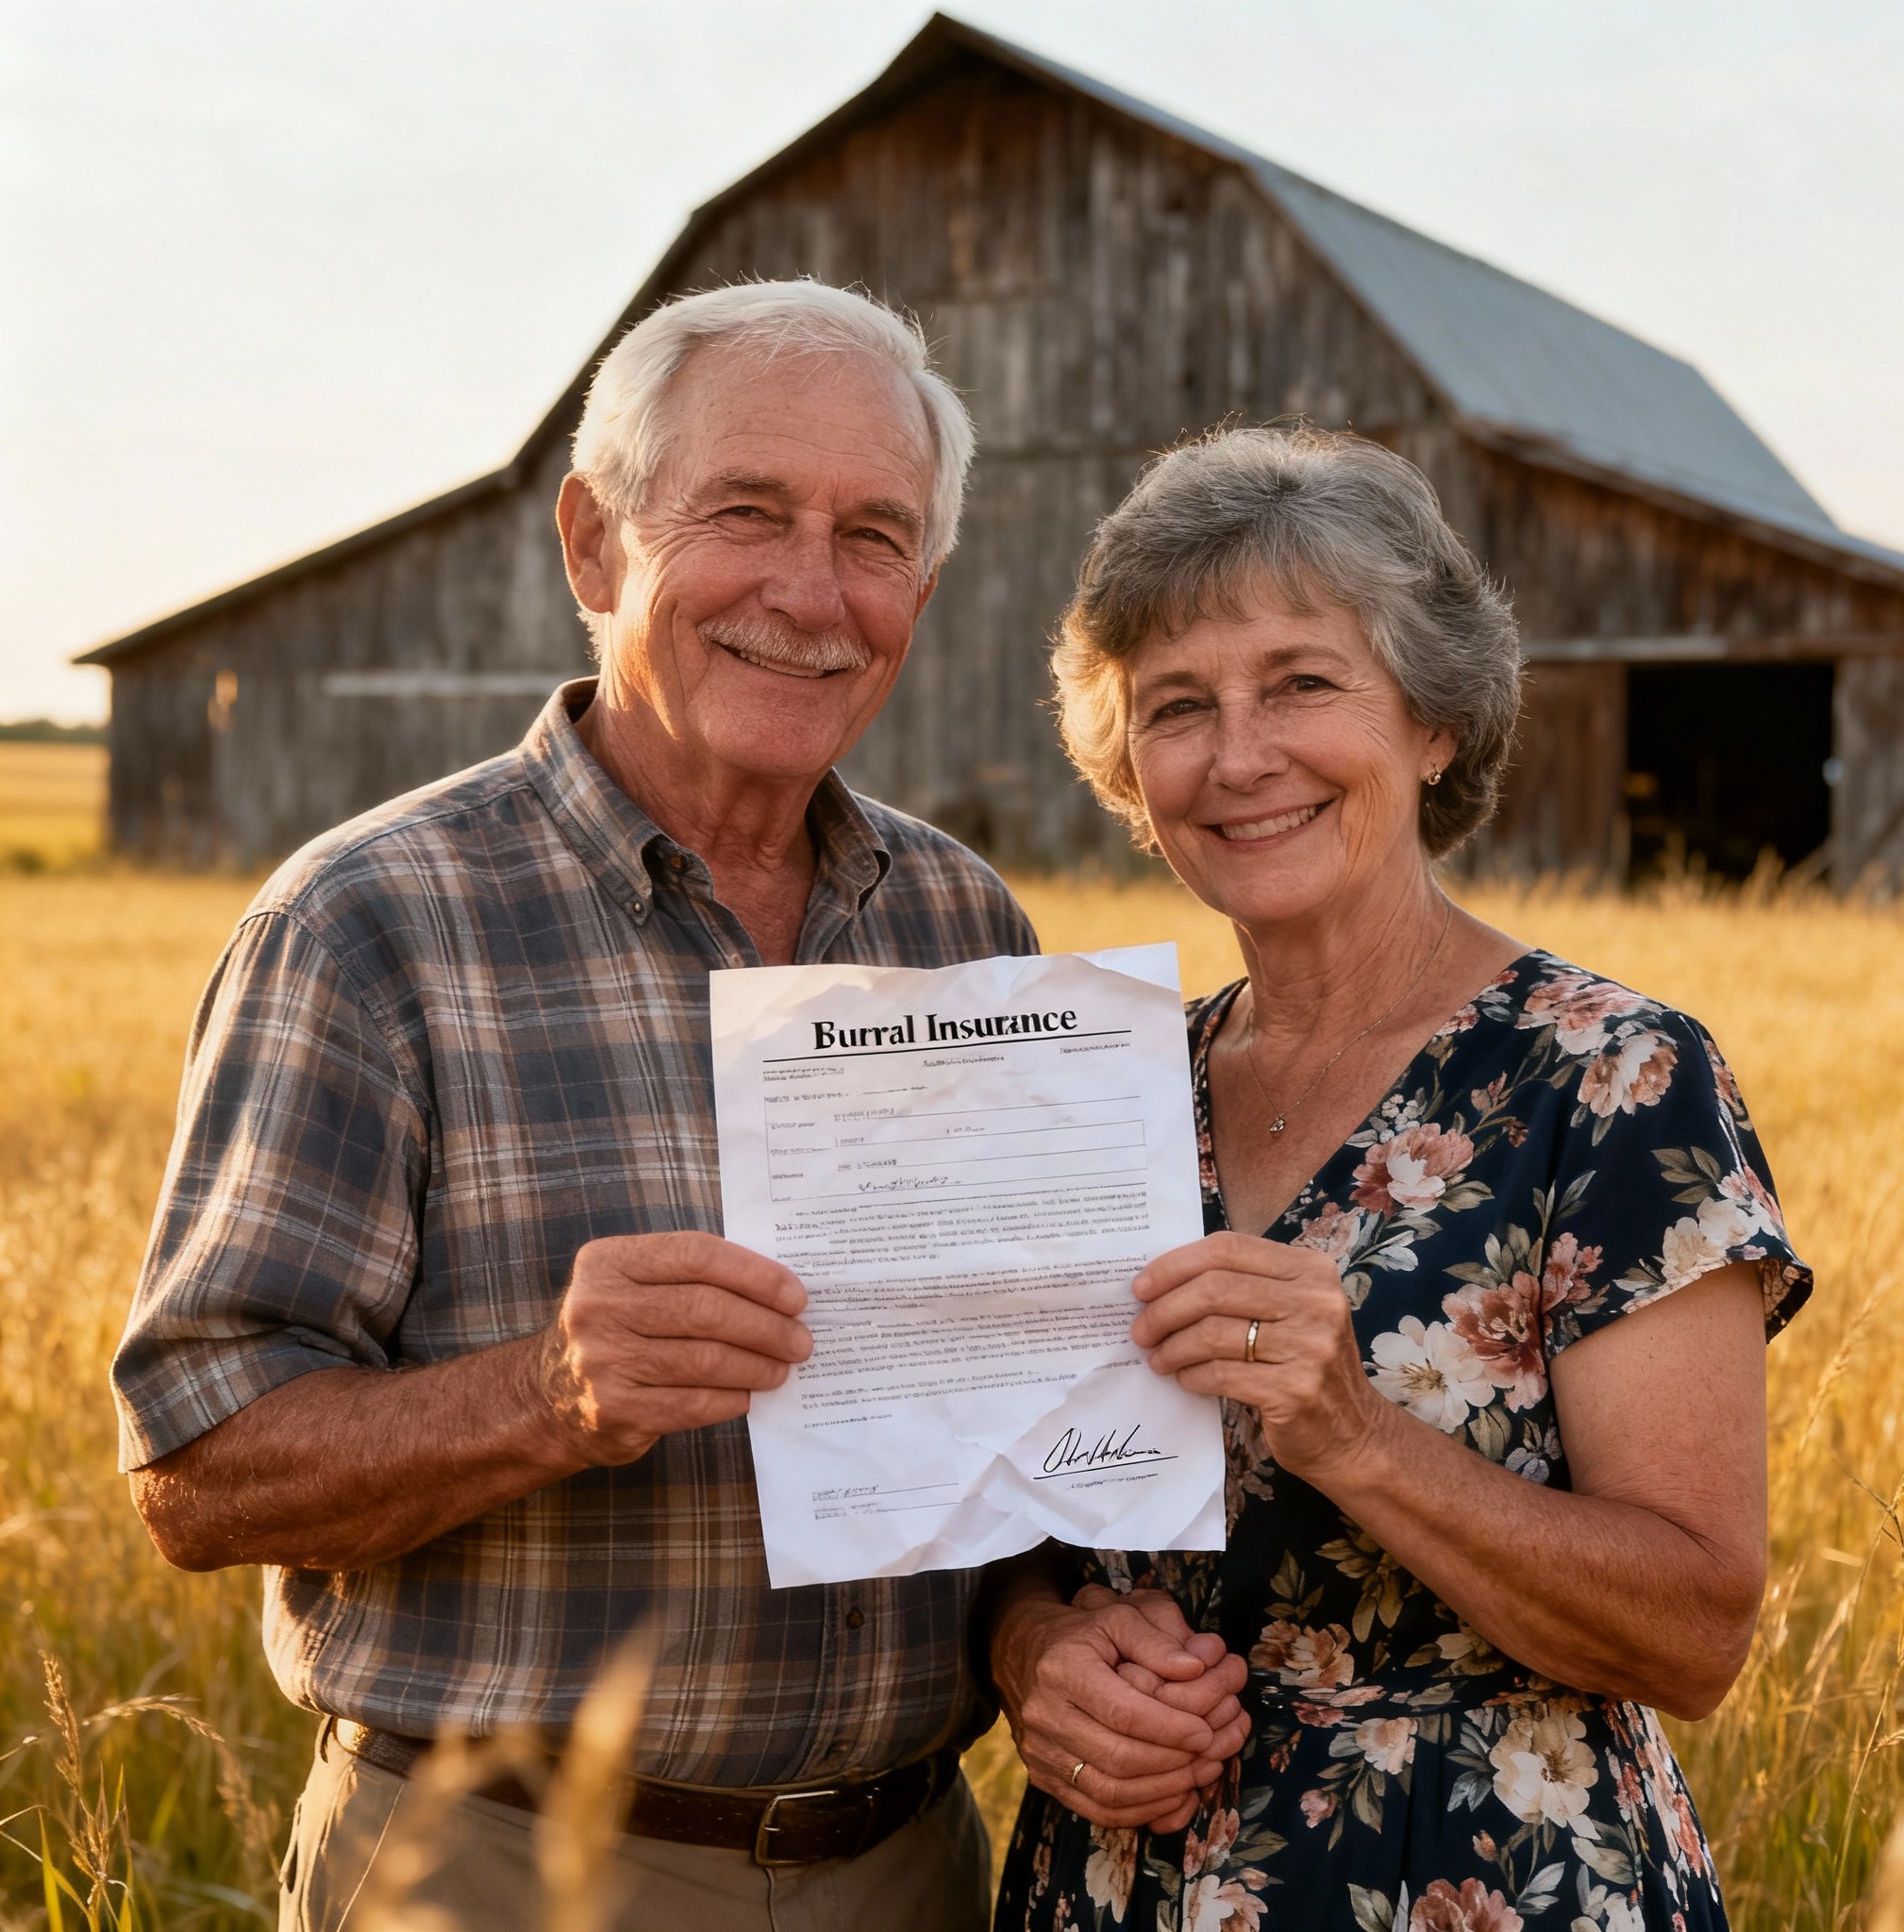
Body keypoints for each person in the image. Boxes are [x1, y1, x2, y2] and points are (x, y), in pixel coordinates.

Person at [112, 278, 1141, 1932]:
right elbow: (196, 1473)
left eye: (874, 537)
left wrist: (1038, 1642)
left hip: (912, 1867)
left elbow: (1010, 1434)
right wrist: (549, 1394)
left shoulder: (966, 923)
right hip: (504, 1871)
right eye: (747, 513)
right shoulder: (369, 924)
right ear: (595, 546)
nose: (811, 592)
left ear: (923, 592)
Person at [987, 426, 1811, 1930]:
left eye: (1303, 682)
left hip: (1481, 1877)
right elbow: (1011, 1513)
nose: (1240, 756)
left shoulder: (1610, 1078)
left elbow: (1695, 1631)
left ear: (1433, 722)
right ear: (1131, 770)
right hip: (1125, 1879)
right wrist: (1034, 1650)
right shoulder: (1106, 1092)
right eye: (1178, 707)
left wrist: (1356, 1434)